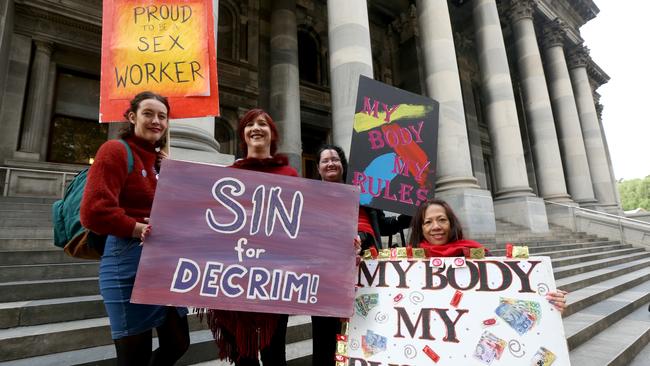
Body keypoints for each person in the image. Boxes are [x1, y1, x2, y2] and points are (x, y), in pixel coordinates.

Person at [80, 91, 189, 365]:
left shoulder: (159, 162)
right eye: (148, 114)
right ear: (132, 117)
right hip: (126, 261)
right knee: (134, 357)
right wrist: (136, 228)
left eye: (162, 116)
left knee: (178, 342)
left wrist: (170, 173)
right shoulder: (115, 150)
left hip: (163, 262)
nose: (156, 121)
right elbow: (94, 211)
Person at [202, 108, 298, 366]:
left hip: (275, 279)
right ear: (243, 134)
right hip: (233, 277)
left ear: (272, 134)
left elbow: (307, 228)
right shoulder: (227, 175)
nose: (256, 128)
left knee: (274, 352)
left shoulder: (289, 176)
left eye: (262, 124)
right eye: (249, 124)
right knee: (243, 355)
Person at [311, 144, 411, 366]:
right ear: (318, 168)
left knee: (364, 325)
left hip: (367, 269)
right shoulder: (312, 197)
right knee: (325, 334)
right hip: (327, 277)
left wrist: (407, 216)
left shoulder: (364, 195)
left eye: (335, 159)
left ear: (342, 165)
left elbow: (383, 226)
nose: (330, 163)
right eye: (325, 160)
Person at [408, 198, 568, 312]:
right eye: (428, 222)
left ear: (451, 224)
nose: (436, 226)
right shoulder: (405, 263)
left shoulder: (477, 253)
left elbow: (512, 293)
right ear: (420, 228)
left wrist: (546, 301)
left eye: (442, 220)